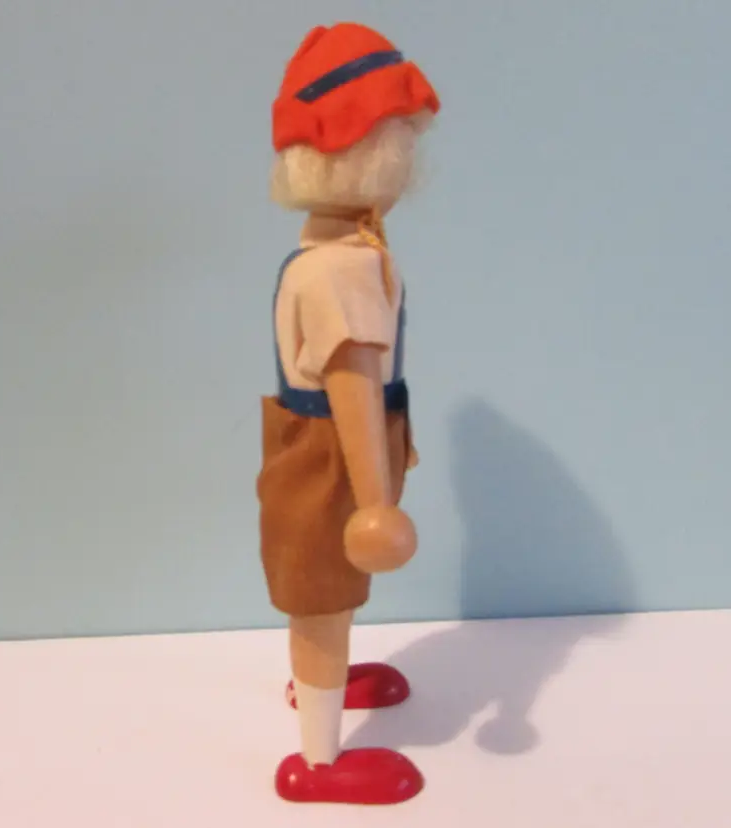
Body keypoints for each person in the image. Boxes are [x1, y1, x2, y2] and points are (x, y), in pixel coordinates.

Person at [256, 21, 440, 805]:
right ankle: (319, 762)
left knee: (330, 584)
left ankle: (322, 683)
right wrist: (375, 502)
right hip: (334, 449)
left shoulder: (326, 252)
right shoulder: (342, 272)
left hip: (322, 441)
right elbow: (353, 386)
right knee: (323, 593)